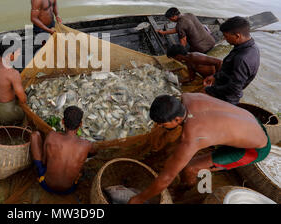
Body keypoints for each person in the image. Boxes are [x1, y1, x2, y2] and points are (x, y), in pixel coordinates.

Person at [128, 93, 270, 204]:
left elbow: (166, 177)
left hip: (255, 149)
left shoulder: (192, 138)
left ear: (177, 120)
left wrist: (139, 199)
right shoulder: (188, 96)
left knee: (191, 168)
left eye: (162, 124)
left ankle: (184, 188)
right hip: (252, 122)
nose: (159, 126)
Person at [30, 106, 96, 194]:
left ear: (62, 121)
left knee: (35, 135)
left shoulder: (52, 136)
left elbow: (44, 162)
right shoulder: (87, 145)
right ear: (80, 124)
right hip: (69, 189)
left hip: (46, 185)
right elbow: (94, 152)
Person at [203, 16, 260, 105]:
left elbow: (234, 89)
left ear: (237, 35)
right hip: (223, 87)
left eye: (226, 36)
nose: (225, 39)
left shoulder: (242, 58)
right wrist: (215, 76)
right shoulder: (249, 46)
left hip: (226, 98)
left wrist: (210, 90)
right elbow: (229, 69)